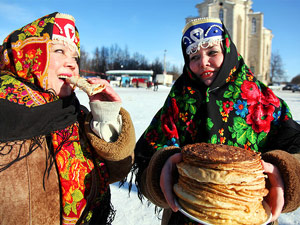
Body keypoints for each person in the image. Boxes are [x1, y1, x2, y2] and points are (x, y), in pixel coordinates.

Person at [128, 18, 300, 225]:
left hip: (249, 215)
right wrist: (160, 168)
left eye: (212, 52)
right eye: (194, 56)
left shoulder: (264, 102)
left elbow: (295, 149)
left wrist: (286, 171)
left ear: (229, 51)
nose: (203, 62)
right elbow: (148, 156)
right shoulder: (179, 100)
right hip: (186, 216)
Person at [0, 12, 135, 225]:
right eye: (59, 50)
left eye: (75, 57)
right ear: (29, 54)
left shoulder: (77, 114)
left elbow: (115, 172)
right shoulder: (4, 110)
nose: (72, 64)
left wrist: (105, 115)